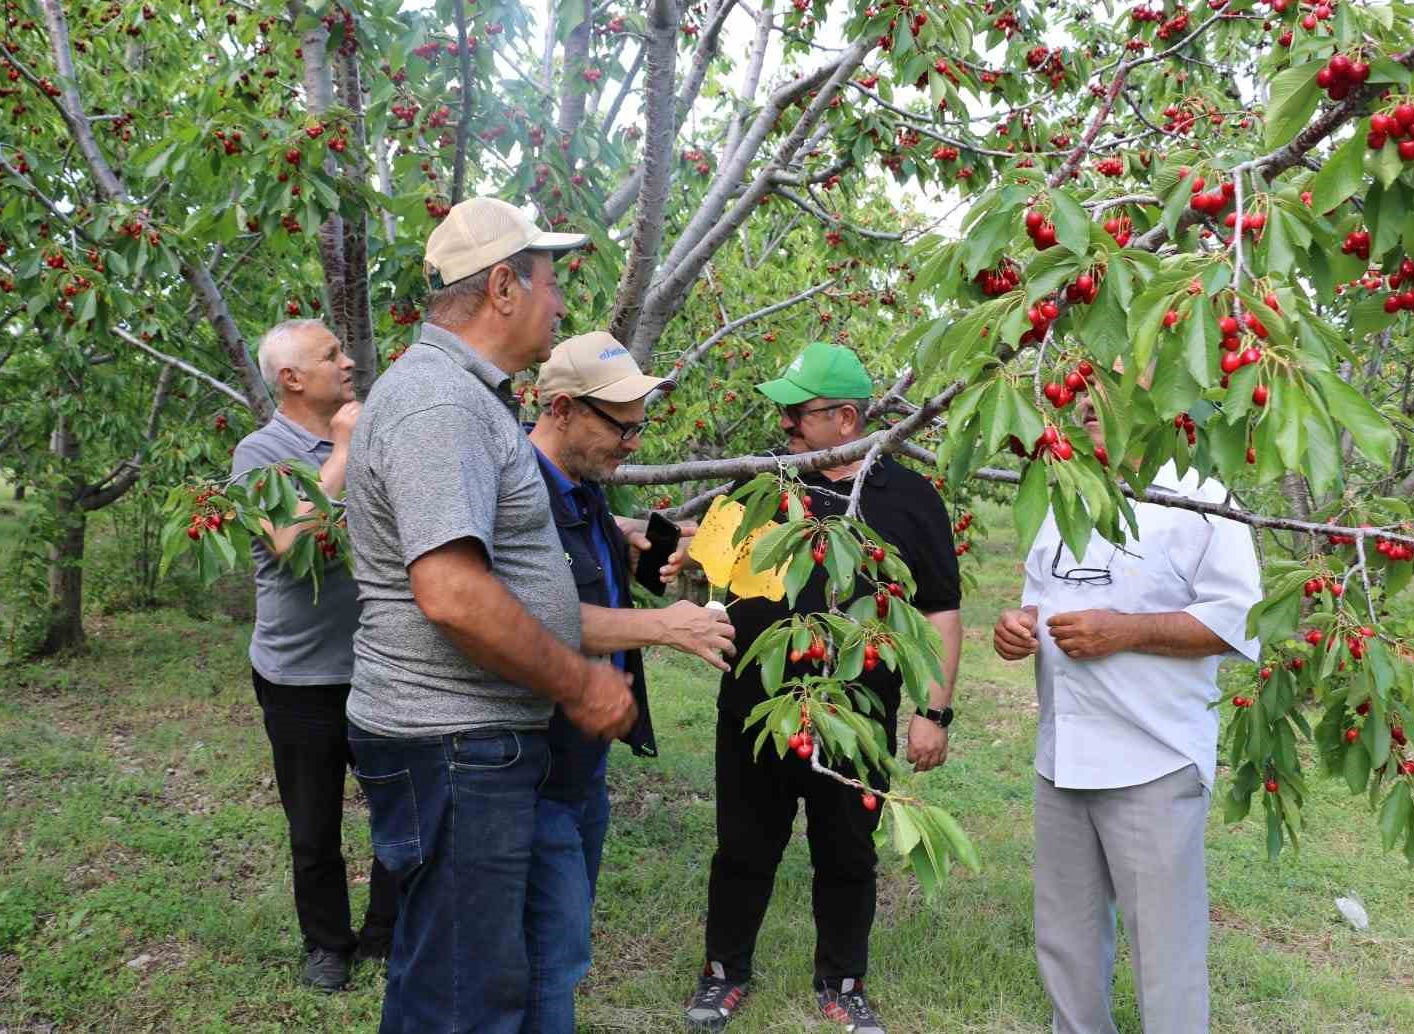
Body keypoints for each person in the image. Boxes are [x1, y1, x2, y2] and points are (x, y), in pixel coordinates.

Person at [343, 198, 637, 1033]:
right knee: (466, 992)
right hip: (455, 742)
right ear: (503, 286)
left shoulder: (467, 398)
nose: (560, 305)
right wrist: (580, 682)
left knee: (448, 968)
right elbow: (453, 592)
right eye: (551, 284)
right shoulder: (441, 404)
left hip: (463, 740)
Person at [685, 342, 964, 1034]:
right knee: (744, 844)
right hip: (757, 702)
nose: (783, 426)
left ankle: (842, 981)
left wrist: (934, 710)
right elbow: (706, 571)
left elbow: (939, 610)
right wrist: (676, 566)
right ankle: (724, 972)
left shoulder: (909, 499)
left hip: (858, 712)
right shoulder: (760, 484)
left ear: (845, 419)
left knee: (847, 850)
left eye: (796, 413)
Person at [991, 380, 1261, 1034]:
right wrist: (1015, 628)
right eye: (1081, 397)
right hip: (1063, 758)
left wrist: (1126, 631)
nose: (1088, 405)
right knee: (1067, 942)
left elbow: (1239, 623)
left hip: (1153, 759)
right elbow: (1038, 597)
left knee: (1165, 957)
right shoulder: (1060, 493)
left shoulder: (1199, 494)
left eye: (1109, 393)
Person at [522, 331, 737, 1033]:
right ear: (561, 409)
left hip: (582, 767)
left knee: (563, 943)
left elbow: (595, 585)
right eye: (622, 426)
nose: (634, 442)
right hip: (530, 767)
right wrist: (665, 626)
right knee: (550, 952)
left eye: (641, 424)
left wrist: (640, 542)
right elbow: (527, 616)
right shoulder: (519, 495)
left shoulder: (581, 495)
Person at [230, 318, 398, 991]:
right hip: (299, 676)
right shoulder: (261, 451)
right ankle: (327, 944)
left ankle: (387, 933)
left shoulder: (375, 434)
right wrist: (343, 451)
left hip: (384, 663)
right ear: (292, 378)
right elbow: (288, 545)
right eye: (331, 354)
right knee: (314, 822)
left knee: (399, 811)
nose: (349, 360)